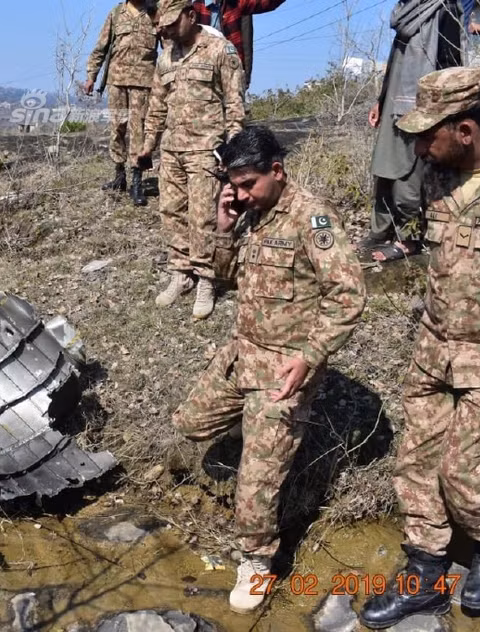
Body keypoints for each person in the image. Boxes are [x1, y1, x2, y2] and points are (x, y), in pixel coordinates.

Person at [359, 66, 480, 629]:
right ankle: (424, 568)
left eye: (427, 134)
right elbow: (435, 243)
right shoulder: (440, 176)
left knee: (464, 474)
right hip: (434, 347)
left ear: (465, 129)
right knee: (416, 465)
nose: (418, 147)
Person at [173, 126, 366, 613]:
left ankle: (257, 560)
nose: (238, 194)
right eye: (233, 185)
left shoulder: (313, 217)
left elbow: (348, 296)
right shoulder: (250, 215)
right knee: (190, 425)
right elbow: (223, 277)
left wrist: (310, 355)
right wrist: (222, 225)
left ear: (276, 171)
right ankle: (266, 442)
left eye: (247, 184)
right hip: (243, 353)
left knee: (254, 481)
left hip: (285, 367)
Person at [138, 0, 245, 319]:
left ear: (190, 15)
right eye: (163, 25)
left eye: (173, 23)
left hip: (205, 150)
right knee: (171, 211)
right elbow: (157, 106)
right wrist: (147, 146)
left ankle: (205, 279)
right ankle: (181, 272)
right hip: (172, 150)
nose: (167, 30)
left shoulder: (219, 51)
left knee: (202, 216)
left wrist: (232, 148)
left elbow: (235, 104)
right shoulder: (166, 57)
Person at [361, 0, 462, 263]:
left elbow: (451, 66)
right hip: (395, 100)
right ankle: (379, 231)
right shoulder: (405, 13)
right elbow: (396, 62)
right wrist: (381, 100)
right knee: (384, 168)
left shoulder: (443, 10)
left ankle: (408, 239)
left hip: (420, 108)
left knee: (410, 173)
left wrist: (438, 116)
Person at [85, 1, 159, 206]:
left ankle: (137, 181)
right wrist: (92, 76)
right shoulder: (116, 13)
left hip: (143, 84)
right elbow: (101, 47)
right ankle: (119, 176)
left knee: (138, 131)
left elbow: (170, 46)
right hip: (116, 82)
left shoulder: (154, 13)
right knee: (117, 128)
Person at [191, 0, 287, 93]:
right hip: (201, 75)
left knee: (234, 108)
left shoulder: (235, 4)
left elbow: (266, 2)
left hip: (231, 73)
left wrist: (245, 74)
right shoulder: (194, 8)